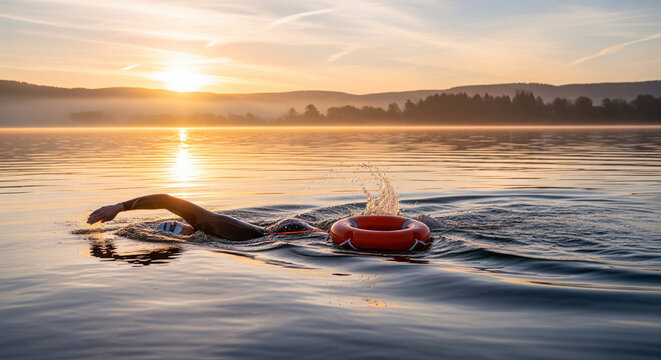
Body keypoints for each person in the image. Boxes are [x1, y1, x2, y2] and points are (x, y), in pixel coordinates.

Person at [87, 193, 443, 241]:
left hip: (281, 234)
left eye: (172, 223)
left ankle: (412, 227)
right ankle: (415, 225)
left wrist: (118, 208)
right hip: (280, 234)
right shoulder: (202, 235)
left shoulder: (205, 223)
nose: (174, 224)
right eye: (169, 229)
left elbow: (166, 198)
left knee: (327, 239)